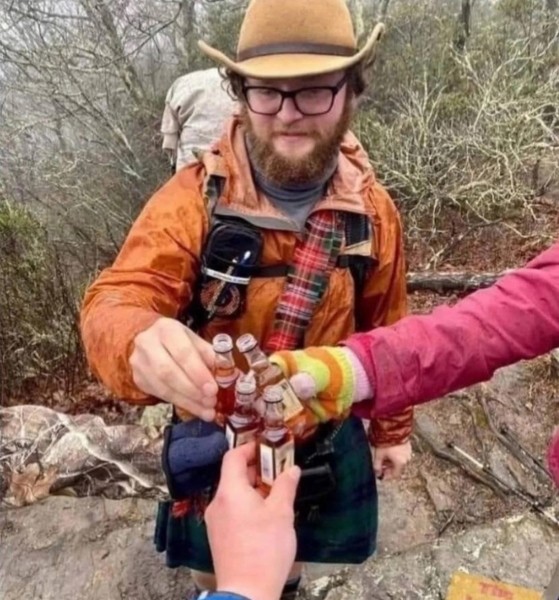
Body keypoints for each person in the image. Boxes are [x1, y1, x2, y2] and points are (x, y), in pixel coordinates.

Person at [80, 0, 413, 596]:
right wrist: (135, 338)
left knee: (297, 562)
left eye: (313, 90)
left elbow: (389, 327)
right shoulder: (193, 201)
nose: (287, 114)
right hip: (220, 440)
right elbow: (118, 296)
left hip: (322, 433)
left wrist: (392, 430)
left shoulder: (372, 214)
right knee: (214, 567)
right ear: (240, 94)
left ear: (351, 92)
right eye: (267, 91)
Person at [203, 242, 559, 600]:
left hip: (329, 428)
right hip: (254, 419)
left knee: (287, 534)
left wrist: (392, 429)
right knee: (223, 549)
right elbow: (498, 318)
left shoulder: (370, 216)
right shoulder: (197, 208)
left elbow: (387, 310)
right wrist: (352, 369)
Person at [161, 67, 237, 172]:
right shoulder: (245, 82)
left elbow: (169, 144)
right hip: (237, 169)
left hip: (189, 170)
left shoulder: (181, 85)